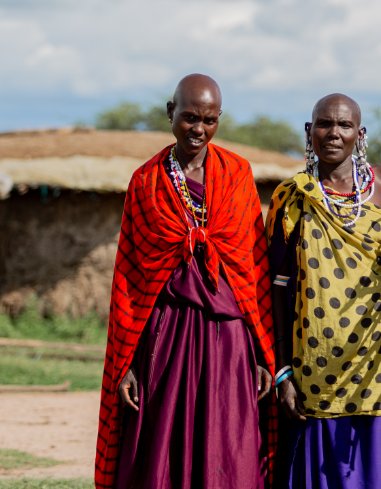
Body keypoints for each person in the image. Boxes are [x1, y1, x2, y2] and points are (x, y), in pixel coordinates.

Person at [95, 74, 276, 489]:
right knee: (164, 442)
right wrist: (127, 365)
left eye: (210, 120)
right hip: (166, 333)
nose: (199, 129)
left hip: (230, 337)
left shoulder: (237, 174)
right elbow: (130, 276)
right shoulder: (146, 181)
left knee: (228, 443)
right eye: (190, 117)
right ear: (170, 113)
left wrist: (264, 353)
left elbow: (254, 268)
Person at [267, 93, 381, 489]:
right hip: (316, 365)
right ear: (309, 131)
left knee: (379, 471)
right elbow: (279, 286)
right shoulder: (293, 197)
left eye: (344, 125)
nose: (333, 133)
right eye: (324, 124)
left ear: (360, 133)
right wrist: (283, 370)